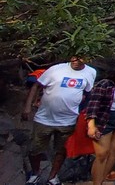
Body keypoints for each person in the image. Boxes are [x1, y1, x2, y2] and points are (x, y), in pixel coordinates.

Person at [22, 54, 97, 185]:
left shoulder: (91, 72)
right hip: (44, 118)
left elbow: (88, 93)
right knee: (35, 148)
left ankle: (52, 177)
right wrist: (27, 107)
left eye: (80, 58)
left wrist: (85, 115)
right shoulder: (56, 69)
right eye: (74, 57)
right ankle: (35, 174)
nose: (75, 61)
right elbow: (36, 86)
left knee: (61, 150)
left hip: (68, 120)